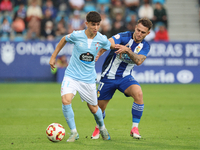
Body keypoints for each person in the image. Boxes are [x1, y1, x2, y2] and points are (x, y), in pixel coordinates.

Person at [49, 11, 111, 142]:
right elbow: (63, 40)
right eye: (93, 24)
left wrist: (99, 53)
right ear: (86, 23)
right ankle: (73, 132)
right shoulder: (77, 35)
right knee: (66, 101)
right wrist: (53, 56)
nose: (95, 27)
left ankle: (102, 128)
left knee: (94, 108)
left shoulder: (101, 38)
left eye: (98, 25)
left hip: (88, 79)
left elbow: (108, 46)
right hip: (71, 75)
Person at [91, 17, 153, 140]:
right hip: (108, 77)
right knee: (99, 108)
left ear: (148, 33)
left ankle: (134, 128)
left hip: (125, 78)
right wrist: (100, 53)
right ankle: (98, 127)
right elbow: (108, 42)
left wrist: (128, 51)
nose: (139, 34)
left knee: (138, 94)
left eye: (143, 32)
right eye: (138, 30)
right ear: (135, 27)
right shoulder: (124, 36)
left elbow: (139, 61)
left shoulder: (145, 46)